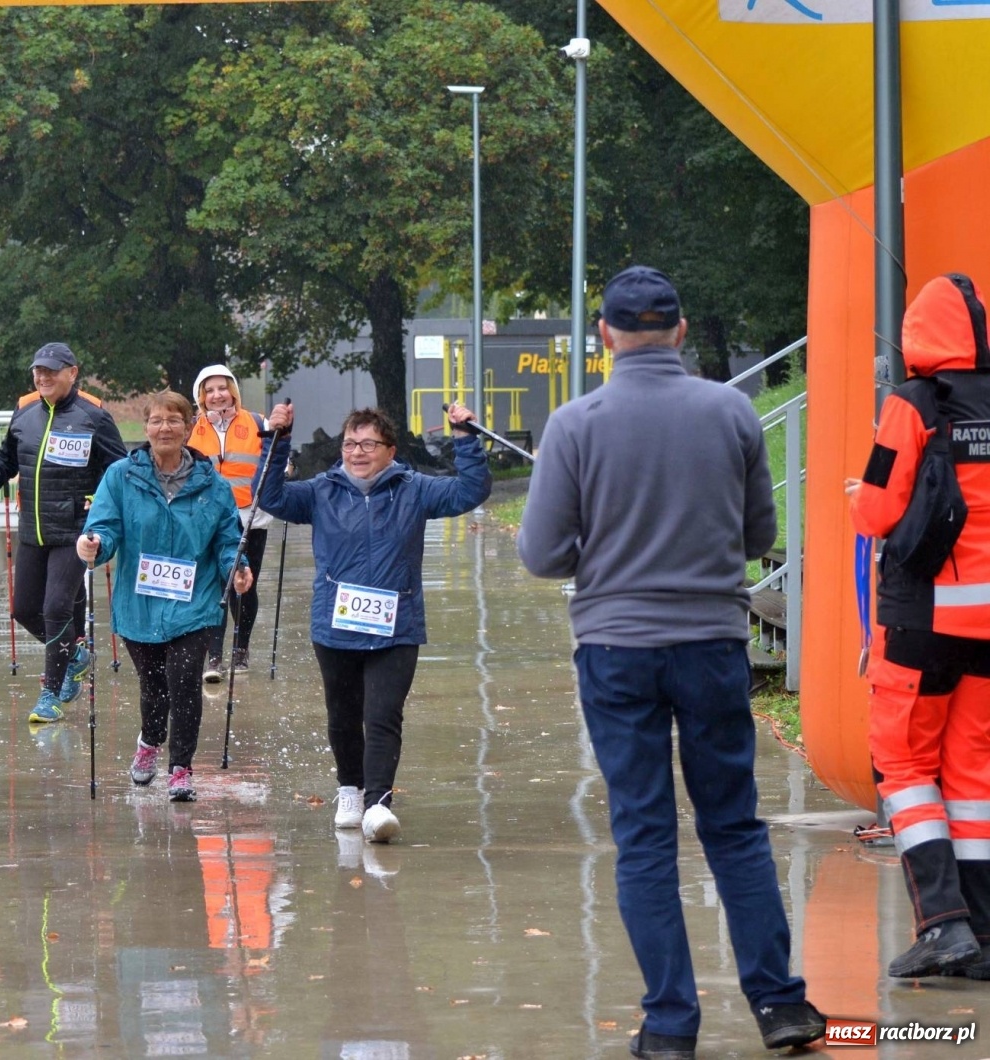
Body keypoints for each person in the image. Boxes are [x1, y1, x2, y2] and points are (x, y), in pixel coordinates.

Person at [517, 265, 824, 1059]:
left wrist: (608, 543)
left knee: (646, 836)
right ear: (682, 332)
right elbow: (760, 535)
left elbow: (543, 554)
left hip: (617, 651)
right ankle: (781, 1005)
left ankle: (670, 1026)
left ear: (606, 338)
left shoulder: (574, 424)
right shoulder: (730, 412)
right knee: (734, 826)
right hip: (713, 644)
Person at [256, 401, 490, 843]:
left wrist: (465, 439)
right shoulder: (322, 491)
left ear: (390, 450)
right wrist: (276, 439)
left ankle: (378, 802)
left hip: (396, 626)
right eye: (350, 443)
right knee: (343, 716)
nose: (357, 452)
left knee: (383, 715)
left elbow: (468, 493)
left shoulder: (414, 488)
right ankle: (350, 789)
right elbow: (271, 499)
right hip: (335, 626)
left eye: (368, 444)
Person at [849, 273, 990, 981]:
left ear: (915, 337)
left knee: (904, 768)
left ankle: (942, 925)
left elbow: (875, 512)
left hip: (922, 623)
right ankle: (984, 936)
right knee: (973, 778)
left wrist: (857, 497)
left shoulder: (910, 405)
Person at [78, 391, 251, 801]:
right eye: (156, 421)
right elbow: (104, 528)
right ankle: (150, 741)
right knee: (154, 686)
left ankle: (181, 768)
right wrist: (94, 546)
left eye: (174, 420)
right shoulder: (121, 476)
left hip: (196, 602)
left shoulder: (214, 485)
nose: (165, 428)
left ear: (190, 427)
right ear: (145, 428)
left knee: (184, 679)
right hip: (139, 604)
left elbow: (228, 542)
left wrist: (236, 570)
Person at [0, 342, 126, 723]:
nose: (42, 377)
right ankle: (75, 655)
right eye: (37, 371)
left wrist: (100, 500)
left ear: (72, 373)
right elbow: (8, 461)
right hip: (33, 529)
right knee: (24, 609)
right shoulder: (24, 412)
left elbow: (119, 468)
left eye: (51, 371)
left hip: (75, 529)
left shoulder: (94, 416)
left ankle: (51, 692)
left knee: (56, 607)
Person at [188, 364, 273, 682]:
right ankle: (214, 656)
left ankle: (241, 648)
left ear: (233, 390)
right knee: (214, 586)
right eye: (209, 390)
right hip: (208, 518)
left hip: (251, 517)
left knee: (243, 584)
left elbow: (274, 460)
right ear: (201, 396)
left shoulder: (256, 422)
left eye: (222, 388)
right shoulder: (192, 428)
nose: (216, 395)